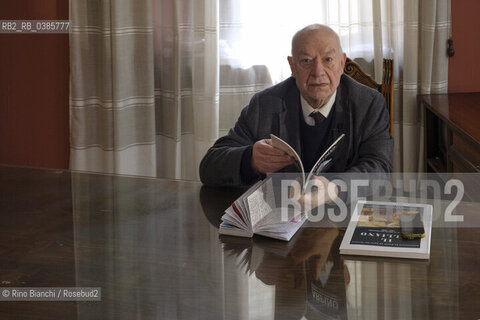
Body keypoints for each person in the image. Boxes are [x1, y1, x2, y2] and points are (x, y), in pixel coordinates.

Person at [199, 24, 393, 204]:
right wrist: (250, 159)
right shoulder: (264, 104)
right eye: (306, 61)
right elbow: (209, 167)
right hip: (281, 221)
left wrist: (335, 188)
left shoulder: (369, 103)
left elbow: (380, 169)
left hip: (342, 218)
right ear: (292, 66)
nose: (318, 72)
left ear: (342, 63)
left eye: (328, 60)